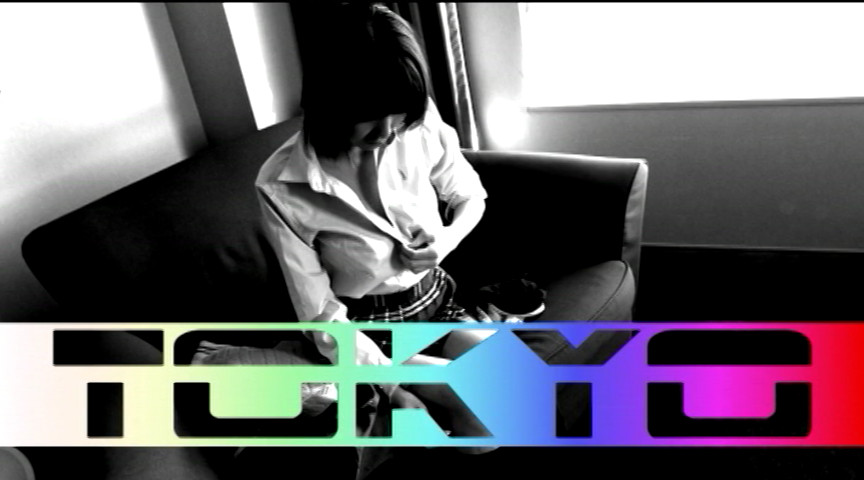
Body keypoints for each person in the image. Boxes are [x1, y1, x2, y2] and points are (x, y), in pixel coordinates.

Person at [254, 1, 493, 437]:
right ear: (331, 101)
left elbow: (470, 195)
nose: (387, 133)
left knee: (525, 390)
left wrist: (446, 241)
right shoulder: (281, 186)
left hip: (434, 299)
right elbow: (321, 314)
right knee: (486, 416)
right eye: (369, 116)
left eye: (398, 114)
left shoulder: (418, 122)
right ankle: (378, 397)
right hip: (364, 330)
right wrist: (389, 382)